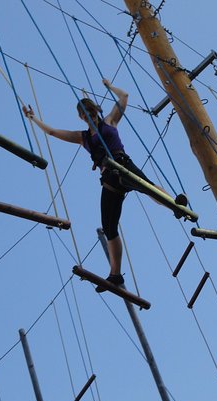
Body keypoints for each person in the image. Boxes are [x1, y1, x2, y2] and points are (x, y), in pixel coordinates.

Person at [23, 79, 186, 292]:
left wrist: (110, 86)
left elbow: (124, 97)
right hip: (109, 179)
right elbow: (53, 132)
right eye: (84, 115)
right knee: (109, 227)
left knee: (148, 187)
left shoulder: (109, 121)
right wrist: (33, 118)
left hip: (122, 165)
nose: (88, 117)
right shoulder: (82, 138)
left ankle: (175, 205)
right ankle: (114, 275)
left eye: (90, 112)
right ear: (81, 117)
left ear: (95, 111)